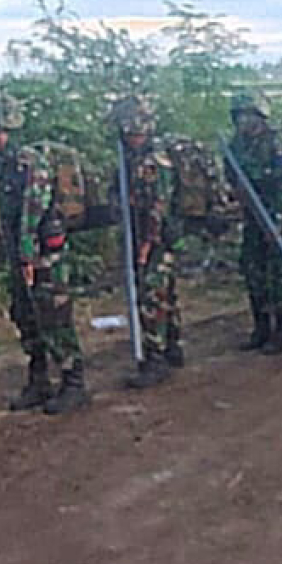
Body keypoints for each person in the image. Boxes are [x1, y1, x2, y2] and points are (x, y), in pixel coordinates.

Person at [0, 95, 90, 415]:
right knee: (24, 315)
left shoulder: (28, 160)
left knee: (54, 315)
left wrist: (27, 255)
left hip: (43, 254)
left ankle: (73, 382)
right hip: (17, 253)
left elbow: (32, 210)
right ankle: (39, 380)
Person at [109, 96, 183, 388]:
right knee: (164, 294)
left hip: (155, 238)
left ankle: (156, 358)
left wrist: (146, 245)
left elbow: (157, 205)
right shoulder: (130, 158)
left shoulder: (153, 161)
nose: (131, 137)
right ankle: (173, 346)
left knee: (151, 297)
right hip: (147, 235)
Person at [226, 92, 282, 355]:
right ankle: (261, 327)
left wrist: (279, 222)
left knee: (278, 274)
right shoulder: (236, 145)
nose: (242, 121)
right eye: (238, 116)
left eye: (247, 115)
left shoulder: (277, 143)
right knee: (252, 269)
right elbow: (231, 177)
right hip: (252, 217)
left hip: (276, 216)